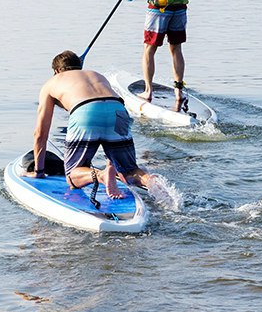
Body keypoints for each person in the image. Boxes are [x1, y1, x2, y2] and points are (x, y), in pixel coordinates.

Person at [31, 51, 170, 202]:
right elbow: (106, 110)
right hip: (118, 109)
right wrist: (112, 164)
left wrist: (39, 172)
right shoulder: (97, 75)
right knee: (129, 171)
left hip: (85, 110)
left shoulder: (52, 82)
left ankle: (100, 175)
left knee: (72, 176)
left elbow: (40, 134)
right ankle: (151, 180)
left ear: (56, 71)